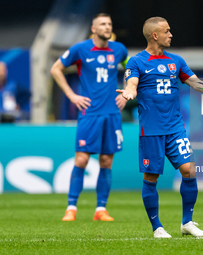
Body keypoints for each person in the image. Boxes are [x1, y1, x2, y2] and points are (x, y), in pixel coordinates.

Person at [117, 17, 203, 238]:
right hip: (152, 131)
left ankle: (187, 223)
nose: (171, 34)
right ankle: (157, 227)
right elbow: (132, 83)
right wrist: (129, 92)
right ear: (155, 35)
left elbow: (195, 83)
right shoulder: (136, 62)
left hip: (175, 127)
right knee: (151, 178)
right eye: (167, 31)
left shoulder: (176, 61)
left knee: (189, 170)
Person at [51, 13, 129, 221]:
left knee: (106, 160)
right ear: (93, 29)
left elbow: (132, 70)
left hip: (112, 113)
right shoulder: (80, 49)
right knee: (82, 159)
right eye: (102, 24)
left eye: (109, 24)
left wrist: (128, 92)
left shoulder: (119, 50)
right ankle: (71, 208)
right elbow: (55, 69)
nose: (107, 27)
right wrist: (71, 95)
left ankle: (100, 209)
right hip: (90, 112)